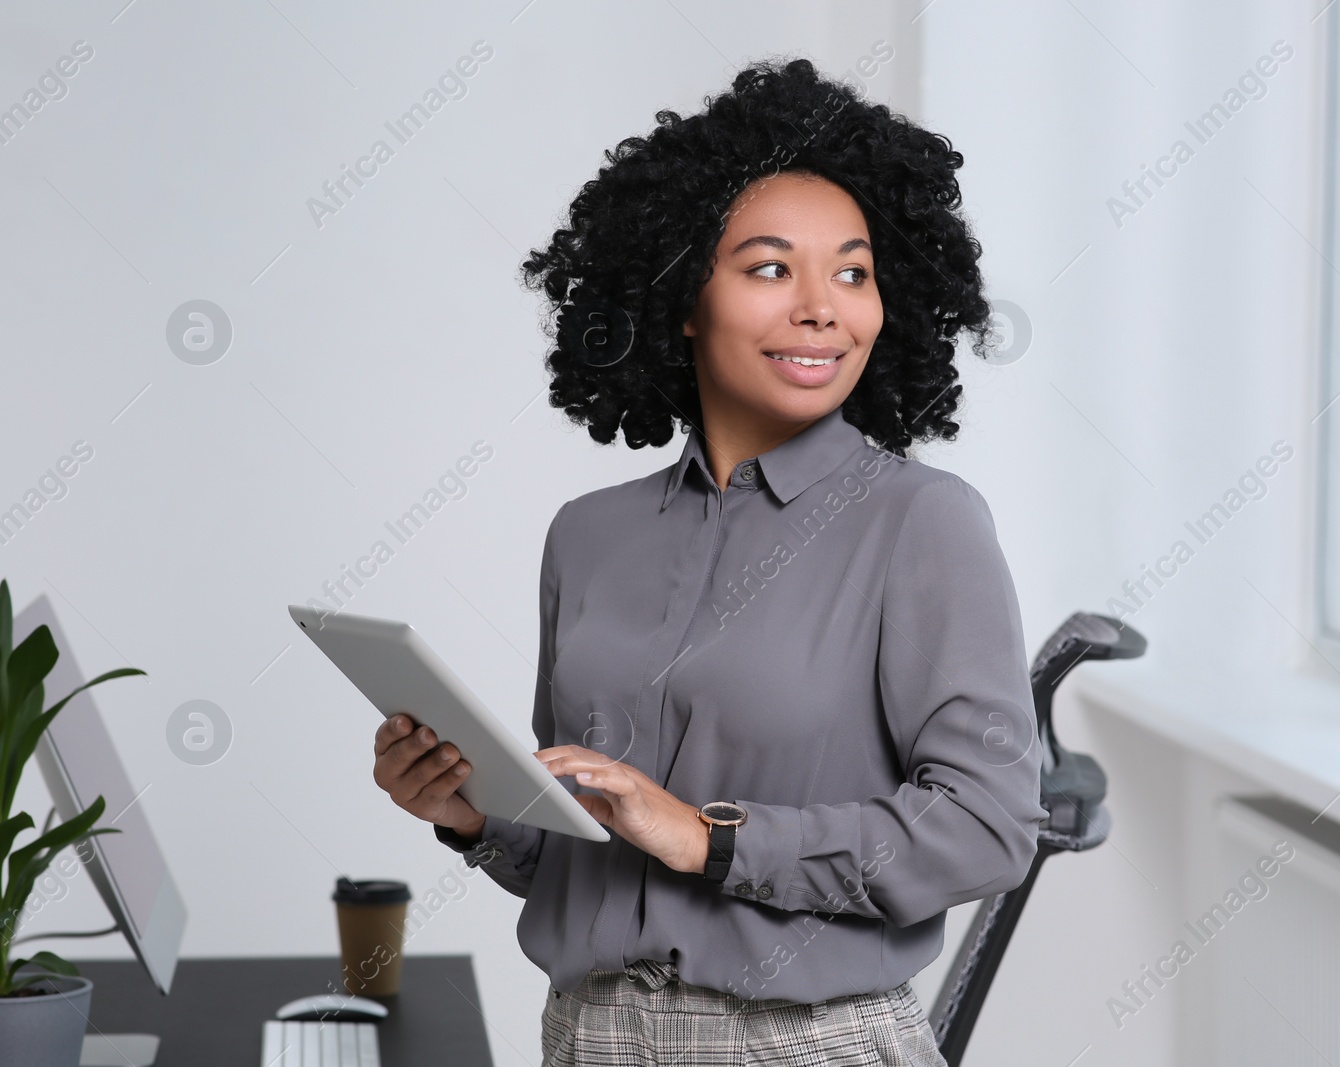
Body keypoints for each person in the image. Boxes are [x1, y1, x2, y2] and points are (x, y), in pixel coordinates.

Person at [371, 56, 1047, 1066]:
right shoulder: (589, 534)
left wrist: (712, 836)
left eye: (853, 272)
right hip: (587, 1036)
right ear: (682, 296)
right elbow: (592, 847)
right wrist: (471, 814)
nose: (824, 307)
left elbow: (989, 826)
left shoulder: (922, 523)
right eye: (771, 268)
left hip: (803, 1043)